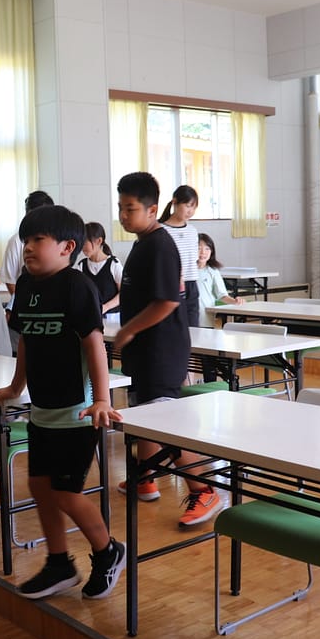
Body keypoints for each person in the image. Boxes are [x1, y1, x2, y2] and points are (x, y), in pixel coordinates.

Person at [0, 204, 125, 601]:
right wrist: (16, 387)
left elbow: (94, 344)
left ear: (67, 247)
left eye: (38, 240)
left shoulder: (77, 287)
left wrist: (102, 399)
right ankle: (60, 563)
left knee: (65, 492)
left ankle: (108, 551)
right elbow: (26, 341)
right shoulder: (27, 285)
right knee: (39, 486)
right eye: (25, 240)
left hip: (77, 412)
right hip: (42, 410)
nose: (28, 247)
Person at [112, 172, 221, 528]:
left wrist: (128, 329)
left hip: (161, 350)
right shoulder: (143, 242)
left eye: (130, 208)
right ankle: (145, 477)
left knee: (163, 423)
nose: (123, 215)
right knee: (146, 413)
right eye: (120, 207)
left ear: (152, 209)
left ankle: (204, 490)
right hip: (145, 350)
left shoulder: (159, 245)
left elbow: (167, 302)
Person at [1, 191, 55, 351]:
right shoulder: (16, 241)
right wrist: (25, 301)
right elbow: (11, 280)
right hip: (26, 308)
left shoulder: (56, 240)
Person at [160, 185, 202, 326]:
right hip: (172, 285)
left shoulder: (192, 231)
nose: (191, 211)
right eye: (188, 206)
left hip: (191, 285)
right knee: (174, 327)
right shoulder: (161, 230)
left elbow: (194, 260)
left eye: (194, 207)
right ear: (175, 202)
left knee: (193, 328)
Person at [195, 233, 244, 328]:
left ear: (212, 251)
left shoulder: (213, 271)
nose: (203, 252)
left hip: (205, 318)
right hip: (187, 316)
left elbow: (222, 295)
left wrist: (235, 301)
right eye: (198, 248)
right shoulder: (185, 270)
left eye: (207, 249)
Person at [73, 222, 122, 316]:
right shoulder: (81, 266)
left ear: (99, 241)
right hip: (91, 317)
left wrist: (106, 307)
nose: (82, 247)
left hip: (112, 317)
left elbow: (123, 293)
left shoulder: (114, 264)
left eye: (85, 242)